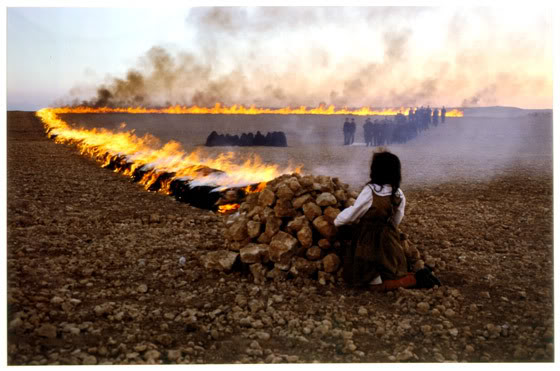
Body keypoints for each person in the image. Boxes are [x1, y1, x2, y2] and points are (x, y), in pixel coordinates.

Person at [334, 151, 440, 291]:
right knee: (389, 271)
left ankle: (414, 280)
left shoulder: (370, 191)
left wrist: (337, 221)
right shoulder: (398, 194)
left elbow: (354, 213)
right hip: (390, 242)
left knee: (369, 282)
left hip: (367, 243)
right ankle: (414, 275)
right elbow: (396, 220)